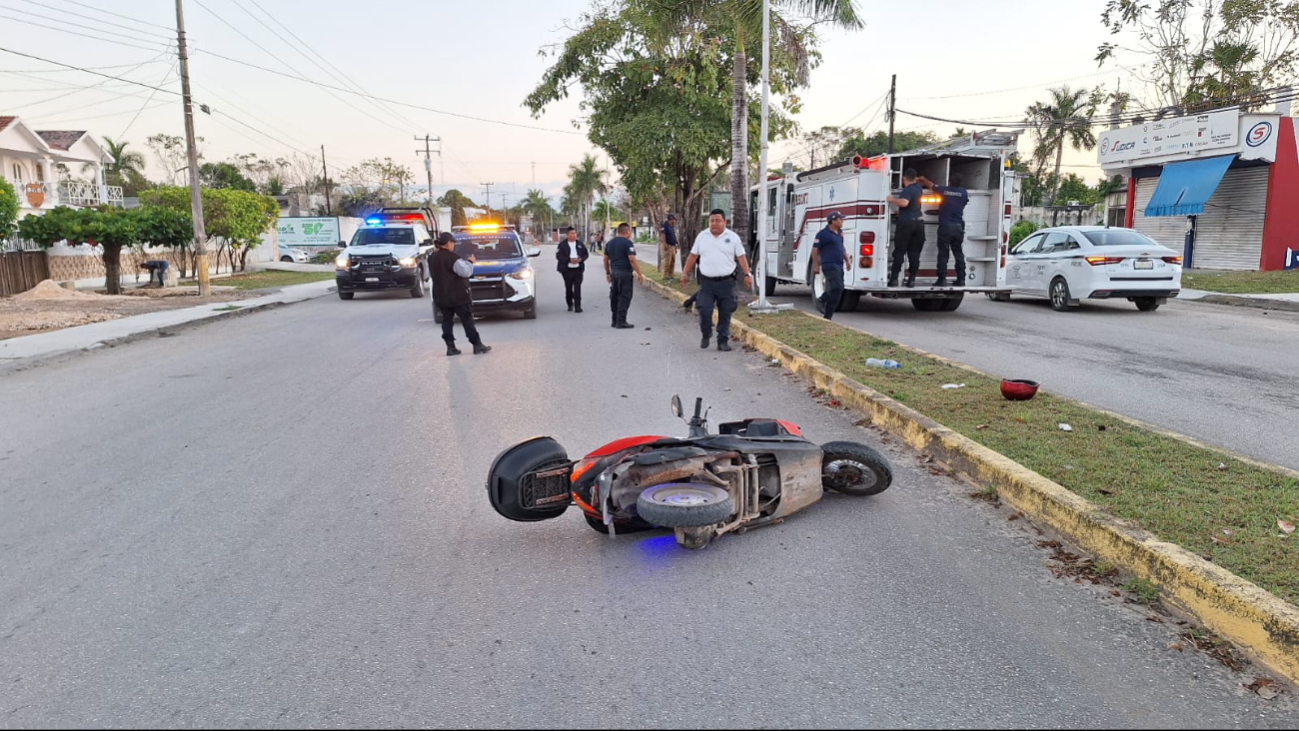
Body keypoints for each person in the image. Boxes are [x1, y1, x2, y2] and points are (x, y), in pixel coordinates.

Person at [680, 209, 753, 352]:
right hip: (707, 283)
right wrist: (684, 274)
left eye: (718, 220)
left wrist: (747, 274)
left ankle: (723, 341)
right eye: (711, 220)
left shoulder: (732, 237)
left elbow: (741, 257)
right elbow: (693, 256)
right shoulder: (702, 236)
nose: (714, 223)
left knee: (725, 313)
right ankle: (706, 332)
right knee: (704, 309)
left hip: (726, 283)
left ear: (725, 222)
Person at [430, 232, 490, 356]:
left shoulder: (432, 258)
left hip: (441, 295)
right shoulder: (453, 258)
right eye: (453, 243)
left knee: (446, 321)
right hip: (458, 296)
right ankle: (477, 345)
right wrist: (470, 262)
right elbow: (465, 272)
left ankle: (450, 347)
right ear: (448, 243)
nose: (454, 246)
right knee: (467, 320)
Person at [919, 174, 970, 287]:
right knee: (958, 253)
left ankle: (941, 279)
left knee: (943, 253)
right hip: (958, 227)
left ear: (950, 182)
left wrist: (923, 179)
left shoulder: (944, 191)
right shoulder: (964, 192)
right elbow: (964, 202)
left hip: (946, 226)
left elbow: (931, 186)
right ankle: (961, 279)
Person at [886, 168, 926, 288]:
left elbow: (904, 203)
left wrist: (892, 200)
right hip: (919, 223)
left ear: (904, 179)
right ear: (915, 178)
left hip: (906, 224)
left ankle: (893, 280)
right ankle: (911, 279)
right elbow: (917, 180)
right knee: (914, 254)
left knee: (899, 252)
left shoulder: (907, 190)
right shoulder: (919, 188)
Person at [605, 223, 646, 329]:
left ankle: (614, 320)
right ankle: (621, 321)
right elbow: (632, 259)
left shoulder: (609, 243)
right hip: (624, 273)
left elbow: (605, 259)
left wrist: (608, 273)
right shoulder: (627, 243)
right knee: (625, 296)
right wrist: (640, 274)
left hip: (614, 272)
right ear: (627, 232)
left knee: (614, 296)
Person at [812, 211, 852, 319]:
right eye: (840, 219)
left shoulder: (840, 233)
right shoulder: (822, 234)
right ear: (833, 221)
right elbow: (815, 250)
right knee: (837, 287)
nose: (842, 221)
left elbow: (841, 248)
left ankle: (828, 315)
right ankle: (822, 299)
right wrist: (816, 265)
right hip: (829, 265)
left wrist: (847, 260)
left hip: (839, 265)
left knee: (839, 290)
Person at [556, 227, 589, 313]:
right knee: (568, 287)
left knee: (578, 287)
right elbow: (559, 256)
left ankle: (578, 306)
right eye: (572, 233)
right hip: (567, 270)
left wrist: (580, 259)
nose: (574, 235)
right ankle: (570, 304)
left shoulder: (580, 244)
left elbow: (586, 254)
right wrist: (569, 259)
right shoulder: (562, 245)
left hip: (578, 269)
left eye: (575, 233)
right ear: (567, 235)